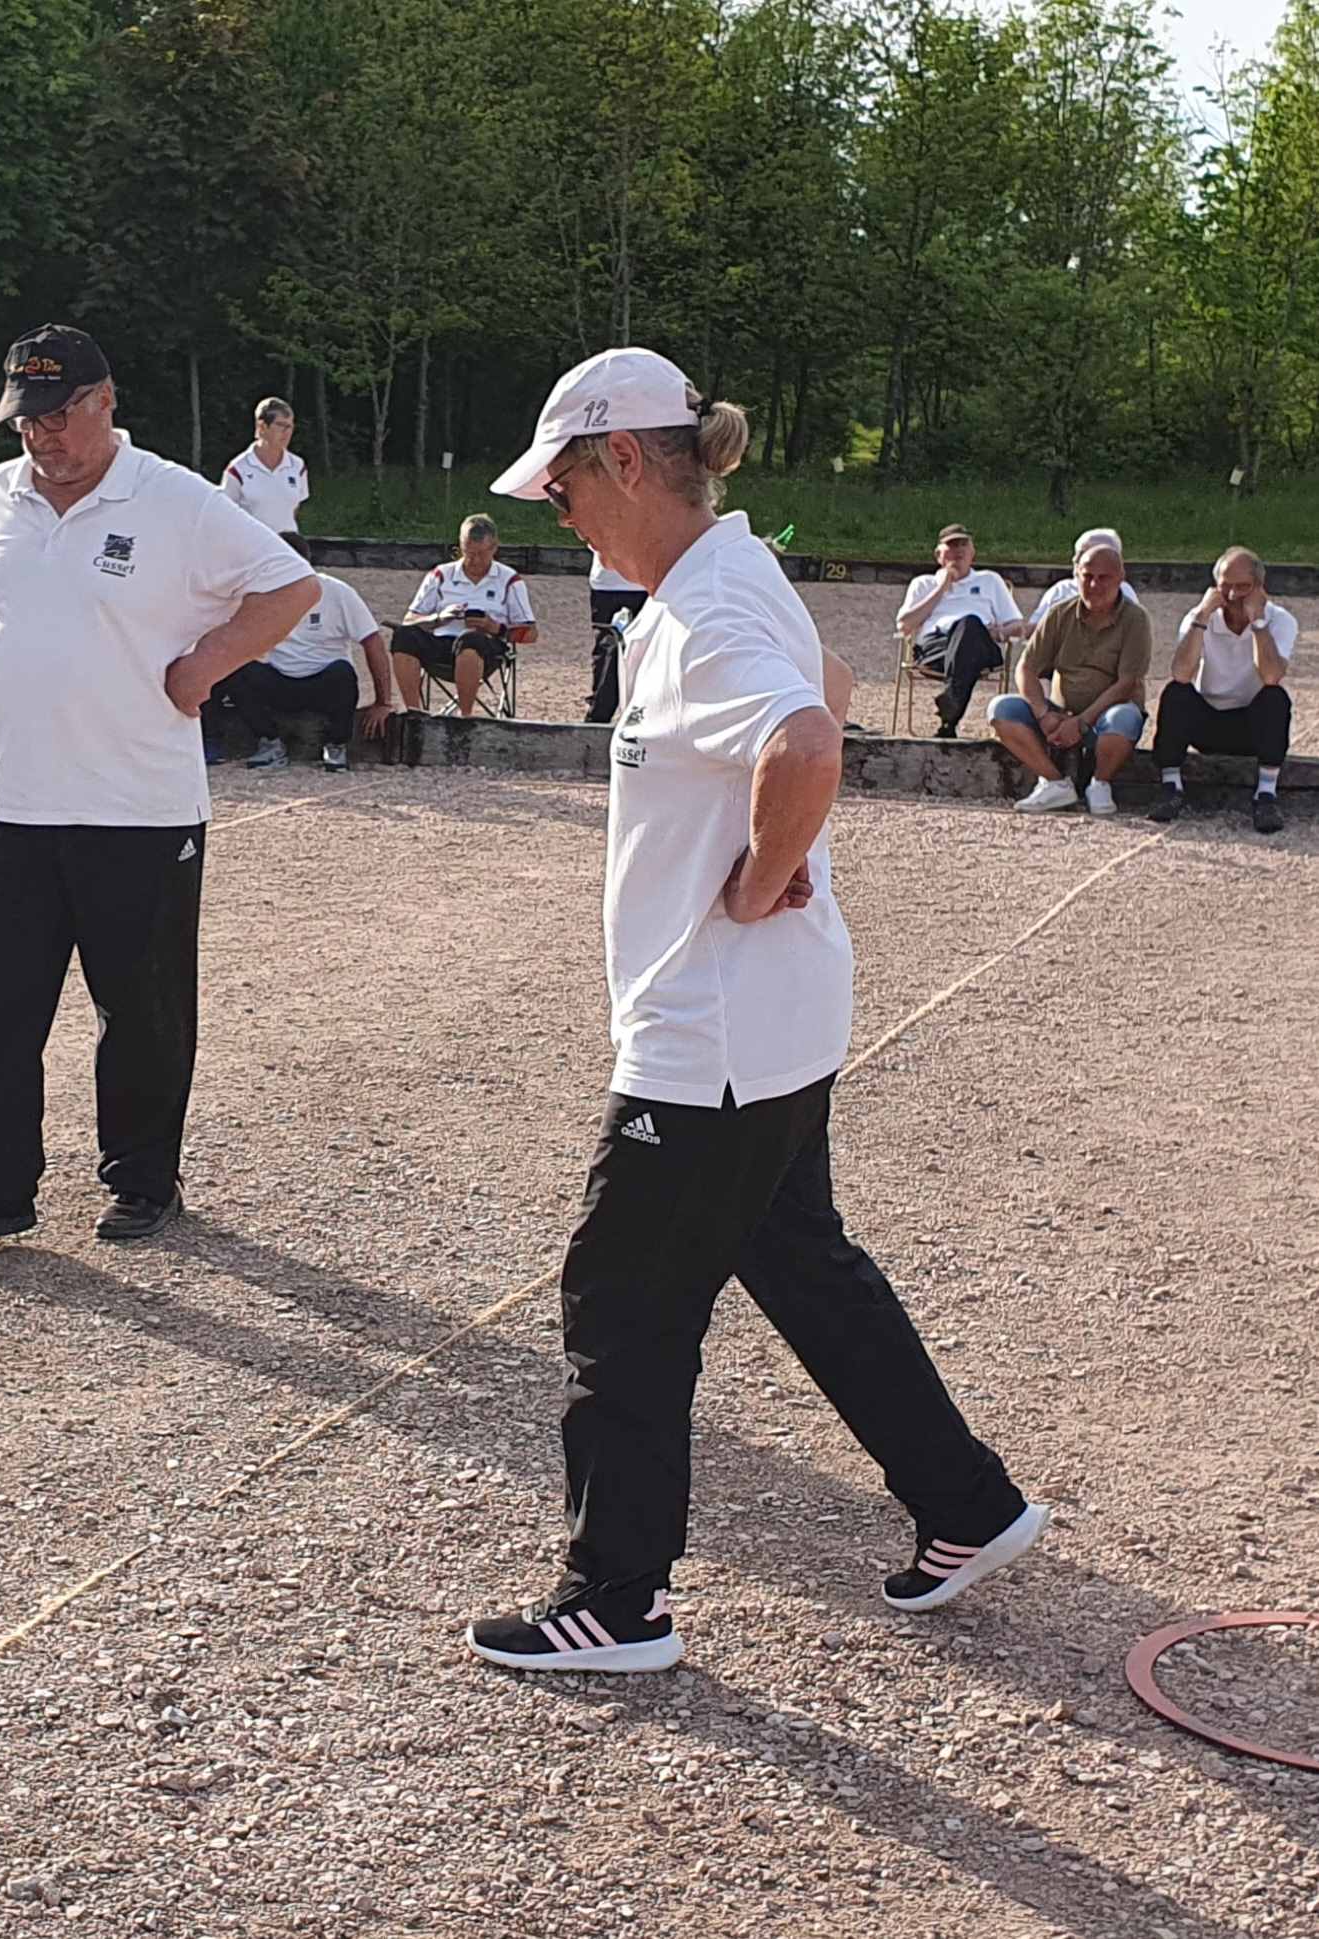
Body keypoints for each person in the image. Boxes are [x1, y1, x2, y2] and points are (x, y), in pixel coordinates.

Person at [465, 346, 1043, 1675]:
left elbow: (809, 737)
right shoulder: (722, 575)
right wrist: (769, 862)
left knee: (618, 1295)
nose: (554, 509)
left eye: (558, 483)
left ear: (621, 459)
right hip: (774, 1022)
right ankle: (964, 1502)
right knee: (794, 1259)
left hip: (707, 1035)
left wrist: (762, 868)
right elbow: (826, 690)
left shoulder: (702, 609)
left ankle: (613, 1599)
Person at [0, 324, 317, 1249]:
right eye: (23, 421)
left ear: (104, 402)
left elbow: (290, 587)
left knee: (141, 1011)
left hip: (137, 808)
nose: (39, 437)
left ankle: (142, 1180)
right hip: (11, 810)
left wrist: (204, 665)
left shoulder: (174, 498)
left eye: (55, 416)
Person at [987, 532, 1152, 815]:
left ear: (1120, 577)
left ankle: (1100, 783)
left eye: (1104, 578)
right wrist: (1043, 713)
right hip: (1060, 713)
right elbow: (1026, 667)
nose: (1094, 585)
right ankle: (1053, 782)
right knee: (1001, 709)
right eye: (1087, 576)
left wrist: (1082, 722)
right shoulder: (1059, 614)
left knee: (1125, 718)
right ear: (1076, 574)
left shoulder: (1136, 619)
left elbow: (1127, 682)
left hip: (1106, 716)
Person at [1149, 547, 1294, 833]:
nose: (1232, 596)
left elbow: (1271, 675)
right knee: (1175, 693)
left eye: (1243, 587)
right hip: (1208, 719)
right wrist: (1202, 617)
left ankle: (1266, 793)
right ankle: (1171, 787)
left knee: (1276, 698)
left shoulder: (1281, 620)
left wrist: (1259, 624)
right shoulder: (1199, 616)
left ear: (1258, 588)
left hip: (1252, 725)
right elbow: (1180, 672)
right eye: (1226, 586)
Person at [210, 572, 399, 773]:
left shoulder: (338, 592)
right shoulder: (258, 592)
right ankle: (269, 741)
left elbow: (372, 642)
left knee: (342, 673)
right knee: (238, 670)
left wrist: (383, 702)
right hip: (277, 679)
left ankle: (336, 745)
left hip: (323, 682)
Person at [388, 514, 534, 718]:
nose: (474, 560)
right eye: (467, 553)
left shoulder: (509, 580)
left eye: (481, 554)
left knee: (470, 639)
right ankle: (415, 715)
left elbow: (531, 633)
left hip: (486, 649)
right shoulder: (441, 574)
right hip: (441, 643)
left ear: (494, 547)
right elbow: (410, 620)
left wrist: (493, 627)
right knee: (403, 636)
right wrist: (439, 618)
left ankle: (464, 717)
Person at [897, 524, 1029, 737]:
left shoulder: (989, 580)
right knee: (965, 638)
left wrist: (994, 633)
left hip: (981, 644)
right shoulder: (924, 583)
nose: (958, 550)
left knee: (969, 625)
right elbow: (904, 625)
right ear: (938, 555)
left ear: (972, 552)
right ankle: (949, 720)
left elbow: (1016, 625)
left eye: (963, 544)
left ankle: (951, 702)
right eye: (951, 545)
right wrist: (942, 588)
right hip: (935, 649)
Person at [222, 398, 311, 557]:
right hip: (251, 553)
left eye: (290, 426)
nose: (287, 432)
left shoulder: (298, 466)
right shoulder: (238, 468)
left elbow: (294, 507)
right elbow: (225, 514)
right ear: (262, 427)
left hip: (289, 553)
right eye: (280, 425)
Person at [1027, 526, 1144, 628]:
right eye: (1077, 553)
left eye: (1083, 553)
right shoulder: (1060, 590)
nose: (1075, 559)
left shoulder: (1122, 592)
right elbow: (1034, 631)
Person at [584, 548, 647, 724]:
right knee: (647, 644)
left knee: (607, 646)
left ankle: (599, 713)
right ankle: (641, 711)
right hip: (641, 579)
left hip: (610, 582)